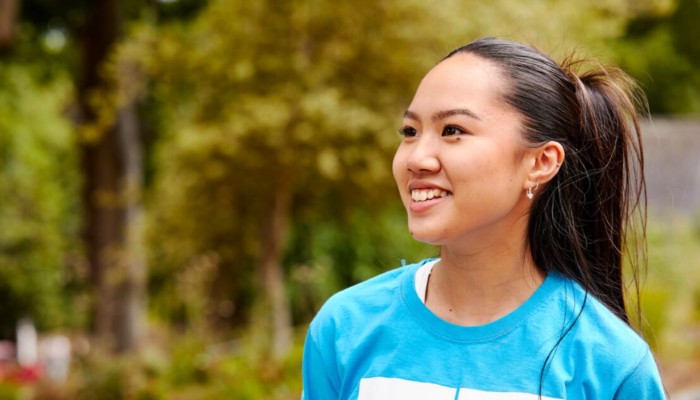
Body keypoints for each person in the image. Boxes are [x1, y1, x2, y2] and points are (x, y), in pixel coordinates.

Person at [301, 37, 666, 399]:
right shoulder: (344, 328)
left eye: (453, 131)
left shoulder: (610, 364)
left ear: (540, 162)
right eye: (410, 132)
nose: (416, 158)